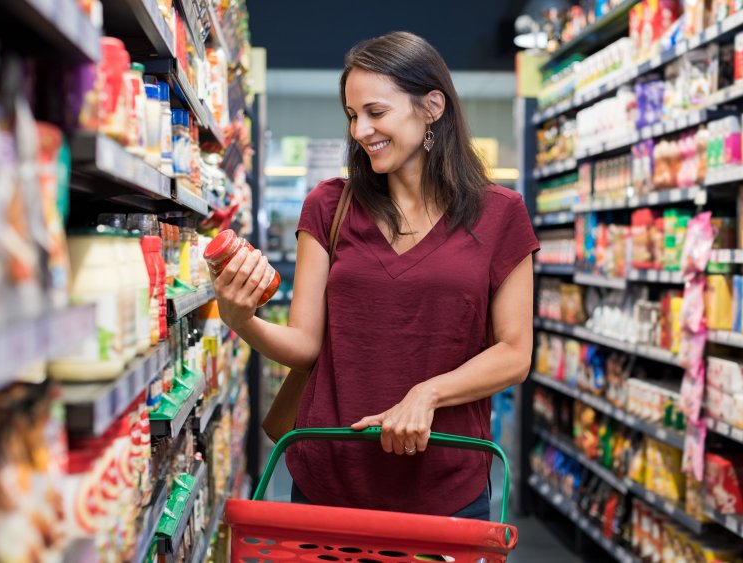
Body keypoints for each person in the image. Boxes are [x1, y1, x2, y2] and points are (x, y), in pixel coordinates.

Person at [212, 31, 537, 520]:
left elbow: (514, 353)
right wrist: (243, 321)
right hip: (331, 477)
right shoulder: (329, 205)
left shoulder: (499, 213)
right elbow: (306, 344)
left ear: (431, 107)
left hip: (445, 483)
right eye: (351, 115)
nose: (361, 130)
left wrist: (426, 394)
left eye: (376, 112)